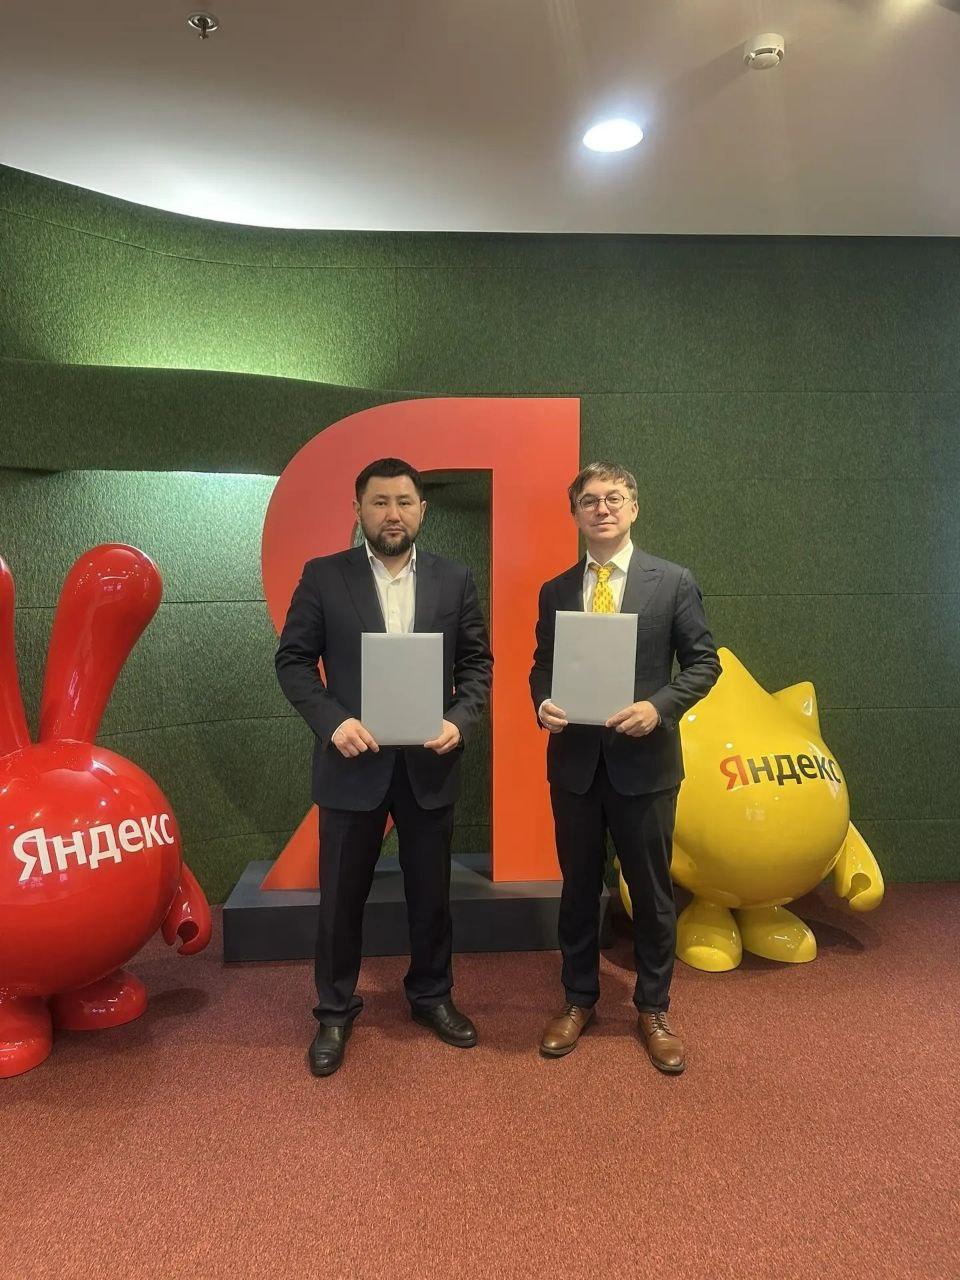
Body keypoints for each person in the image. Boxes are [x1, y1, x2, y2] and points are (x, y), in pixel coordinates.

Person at [275, 457, 493, 1077]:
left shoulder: (454, 579)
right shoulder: (324, 577)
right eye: (379, 502)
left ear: (422, 509)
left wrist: (461, 720)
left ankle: (431, 995)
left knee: (432, 894)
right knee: (341, 900)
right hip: (352, 765)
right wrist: (332, 722)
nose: (392, 514)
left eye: (403, 501)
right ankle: (334, 1010)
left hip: (430, 764)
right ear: (358, 510)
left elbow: (477, 663)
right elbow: (293, 661)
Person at [529, 461, 720, 1074]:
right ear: (575, 514)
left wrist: (658, 707)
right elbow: (541, 665)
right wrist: (542, 702)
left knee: (652, 892)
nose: (602, 508)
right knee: (578, 889)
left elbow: (704, 664)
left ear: (634, 508)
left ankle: (654, 1008)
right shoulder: (556, 590)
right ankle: (578, 999)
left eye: (614, 498)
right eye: (589, 500)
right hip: (576, 767)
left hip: (646, 766)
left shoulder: (673, 582)